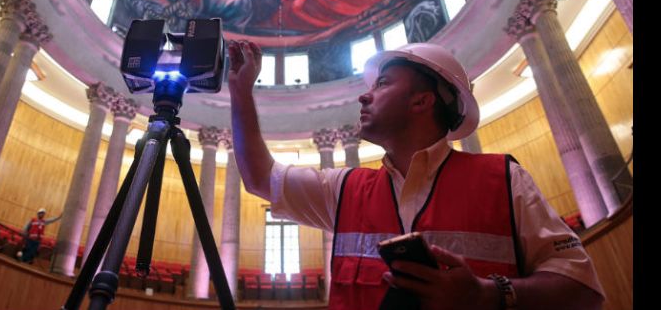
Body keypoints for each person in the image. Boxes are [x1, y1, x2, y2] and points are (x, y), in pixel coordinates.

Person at [227, 40, 605, 309]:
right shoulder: (344, 188)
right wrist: (241, 91)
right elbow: (260, 178)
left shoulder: (504, 179)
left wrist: (487, 296)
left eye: (382, 84)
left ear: (422, 100)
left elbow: (584, 291)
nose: (364, 96)